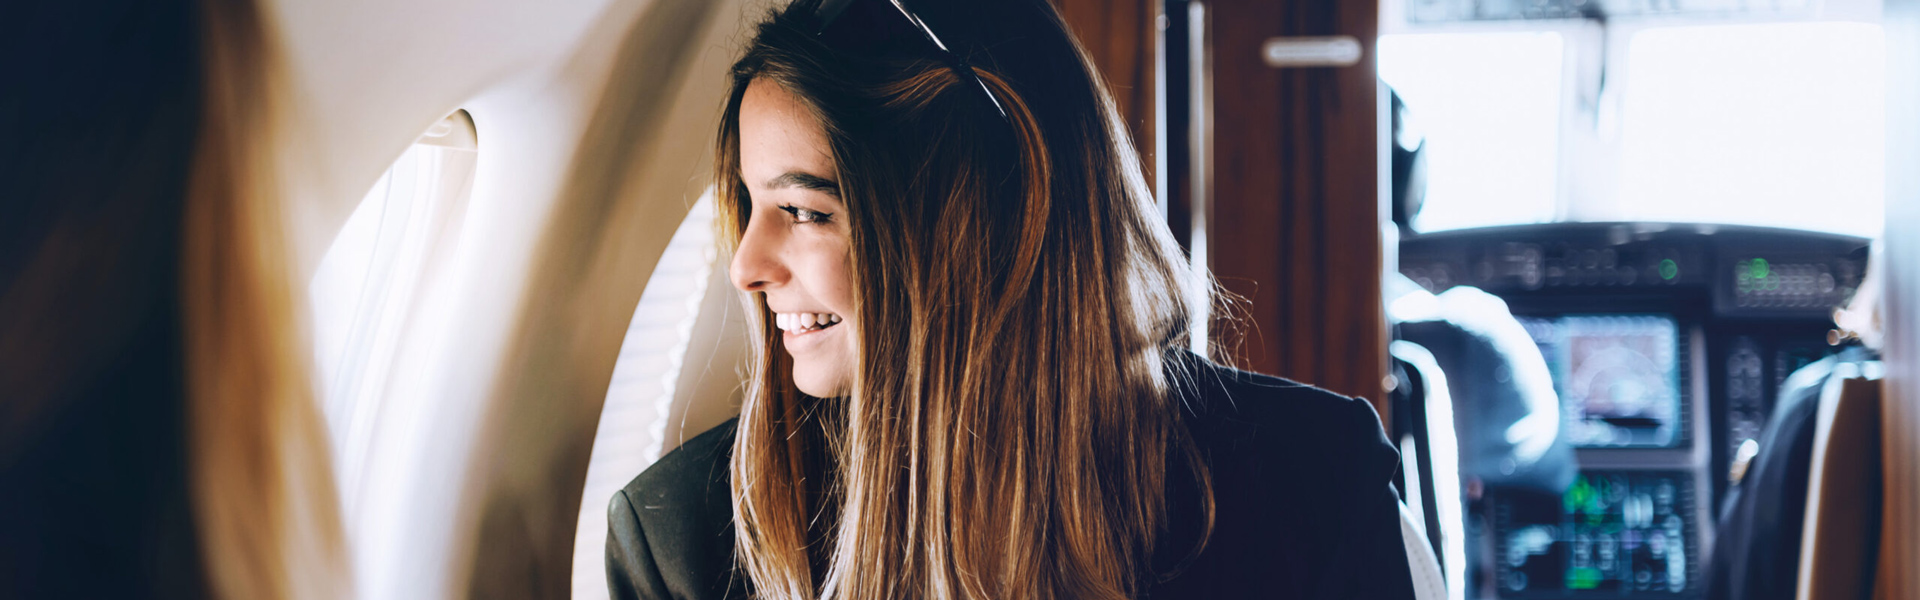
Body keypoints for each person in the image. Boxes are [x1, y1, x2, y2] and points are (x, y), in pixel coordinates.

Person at [605, 1, 1414, 598]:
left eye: (808, 212)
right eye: (750, 206)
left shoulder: (1316, 485)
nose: (746, 266)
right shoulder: (682, 544)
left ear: (979, 229)